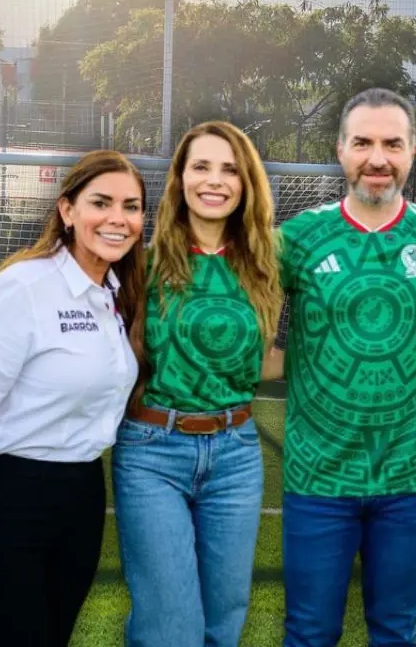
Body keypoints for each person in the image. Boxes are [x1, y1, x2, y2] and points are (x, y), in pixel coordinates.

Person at [274, 88, 416, 647]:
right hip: (318, 475)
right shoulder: (298, 237)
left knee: (395, 630)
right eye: (363, 143)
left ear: (413, 151)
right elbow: (225, 285)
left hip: (408, 478)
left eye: (392, 143)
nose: (378, 158)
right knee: (308, 631)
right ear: (341, 150)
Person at [0, 150, 148, 646]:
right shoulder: (23, 288)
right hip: (11, 497)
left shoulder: (113, 293)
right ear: (67, 211)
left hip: (81, 497)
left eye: (132, 206)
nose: (118, 219)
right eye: (101, 202)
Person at [113, 121, 282, 646]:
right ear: (180, 178)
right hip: (152, 451)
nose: (215, 180)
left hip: (235, 454)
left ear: (246, 182)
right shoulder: (141, 259)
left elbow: (259, 363)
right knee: (170, 627)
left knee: (222, 623)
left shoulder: (265, 263)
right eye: (201, 166)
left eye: (230, 169)